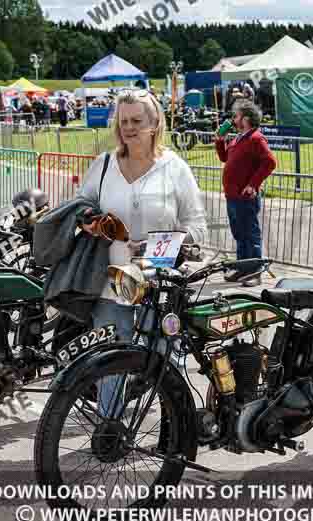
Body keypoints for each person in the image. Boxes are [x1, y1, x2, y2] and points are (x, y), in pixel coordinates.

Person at [77, 88, 206, 417]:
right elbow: (80, 210)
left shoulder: (174, 168)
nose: (129, 128)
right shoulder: (104, 165)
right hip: (111, 281)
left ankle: (173, 431)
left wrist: (161, 244)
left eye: (137, 120)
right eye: (123, 121)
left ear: (155, 123)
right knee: (109, 359)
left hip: (159, 282)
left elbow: (197, 227)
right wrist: (91, 224)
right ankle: (110, 429)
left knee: (164, 358)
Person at [214, 100, 277, 287]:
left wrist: (253, 184)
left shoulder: (256, 139)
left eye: (237, 116)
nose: (233, 119)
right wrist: (219, 140)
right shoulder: (238, 138)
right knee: (239, 234)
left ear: (247, 118)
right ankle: (242, 268)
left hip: (245, 197)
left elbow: (270, 162)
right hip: (232, 196)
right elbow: (225, 157)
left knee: (250, 235)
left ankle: (255, 272)